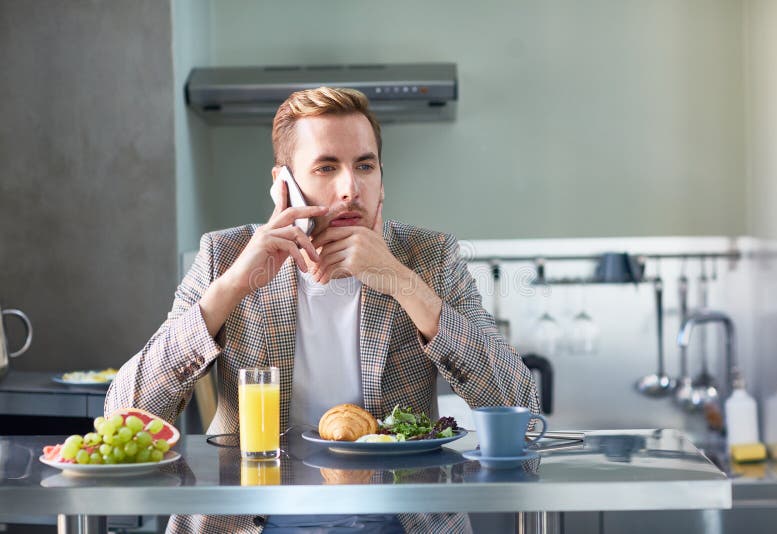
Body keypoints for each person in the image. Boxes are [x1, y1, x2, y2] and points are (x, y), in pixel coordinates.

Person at [106, 86, 540, 534]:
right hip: (250, 523)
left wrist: (403, 283)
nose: (350, 188)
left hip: (399, 521)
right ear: (284, 185)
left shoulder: (429, 257)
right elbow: (125, 414)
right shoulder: (225, 255)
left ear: (382, 179)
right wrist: (233, 285)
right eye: (326, 167)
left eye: (365, 166)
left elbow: (521, 408)